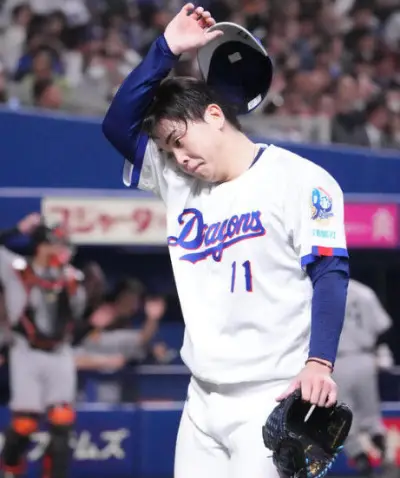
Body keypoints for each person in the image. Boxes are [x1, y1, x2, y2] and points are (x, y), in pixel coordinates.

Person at [102, 4, 350, 478]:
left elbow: (330, 273)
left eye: (179, 140)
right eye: (167, 149)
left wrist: (320, 363)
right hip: (201, 398)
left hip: (271, 393)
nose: (178, 157)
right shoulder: (178, 180)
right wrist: (166, 49)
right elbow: (117, 126)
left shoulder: (300, 179)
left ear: (214, 115)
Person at [0, 217, 86, 478]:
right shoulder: (17, 269)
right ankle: (11, 468)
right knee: (24, 424)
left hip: (59, 353)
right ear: (40, 245)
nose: (61, 249)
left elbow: (75, 318)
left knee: (62, 420)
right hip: (26, 352)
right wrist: (17, 230)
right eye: (55, 243)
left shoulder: (72, 277)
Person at [334, 279, 393, 478]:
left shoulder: (319, 290)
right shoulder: (364, 291)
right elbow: (383, 327)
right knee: (372, 417)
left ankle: (363, 463)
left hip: (337, 362)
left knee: (343, 418)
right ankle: (385, 458)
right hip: (365, 359)